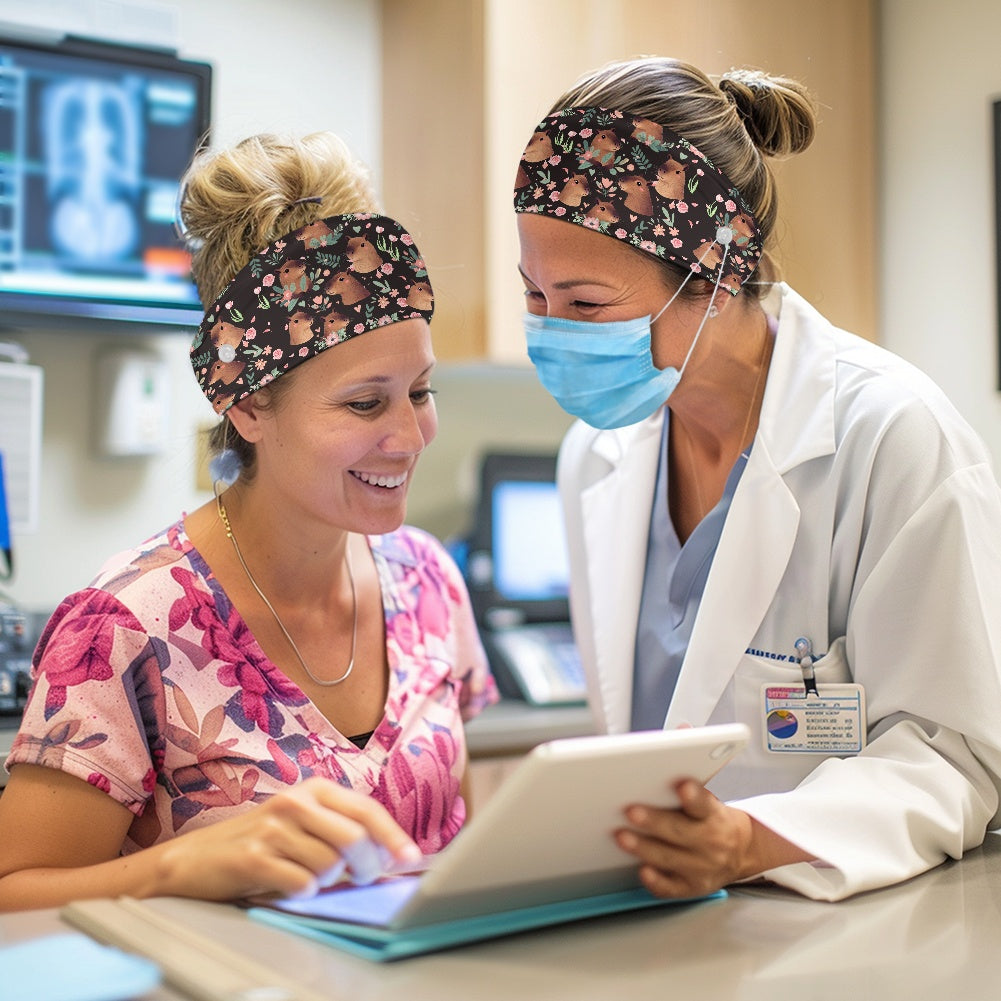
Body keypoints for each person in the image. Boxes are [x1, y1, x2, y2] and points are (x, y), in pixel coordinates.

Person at [512, 56, 1001, 901]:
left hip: (847, 937)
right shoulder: (595, 455)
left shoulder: (890, 435)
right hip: (669, 928)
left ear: (714, 278)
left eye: (586, 304)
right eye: (534, 296)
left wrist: (749, 840)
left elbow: (947, 752)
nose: (553, 335)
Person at [0, 132, 497, 911]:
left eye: (420, 391)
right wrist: (177, 866)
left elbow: (455, 838)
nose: (408, 435)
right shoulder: (125, 627)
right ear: (249, 406)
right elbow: (12, 892)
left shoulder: (428, 578)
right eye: (365, 402)